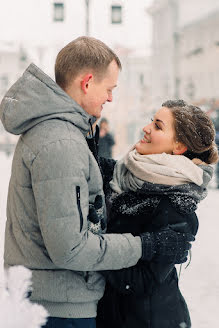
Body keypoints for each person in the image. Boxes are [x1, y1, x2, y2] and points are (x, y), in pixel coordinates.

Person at [0, 37, 193, 328]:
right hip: (60, 307)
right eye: (110, 88)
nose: (111, 98)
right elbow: (70, 248)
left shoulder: (63, 133)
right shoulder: (61, 142)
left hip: (56, 299)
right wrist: (146, 245)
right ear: (88, 82)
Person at [96, 100, 219, 328]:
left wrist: (89, 251)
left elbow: (143, 281)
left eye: (158, 126)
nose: (146, 128)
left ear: (179, 146)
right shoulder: (125, 175)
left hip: (150, 321)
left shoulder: (177, 203)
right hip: (114, 316)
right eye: (151, 121)